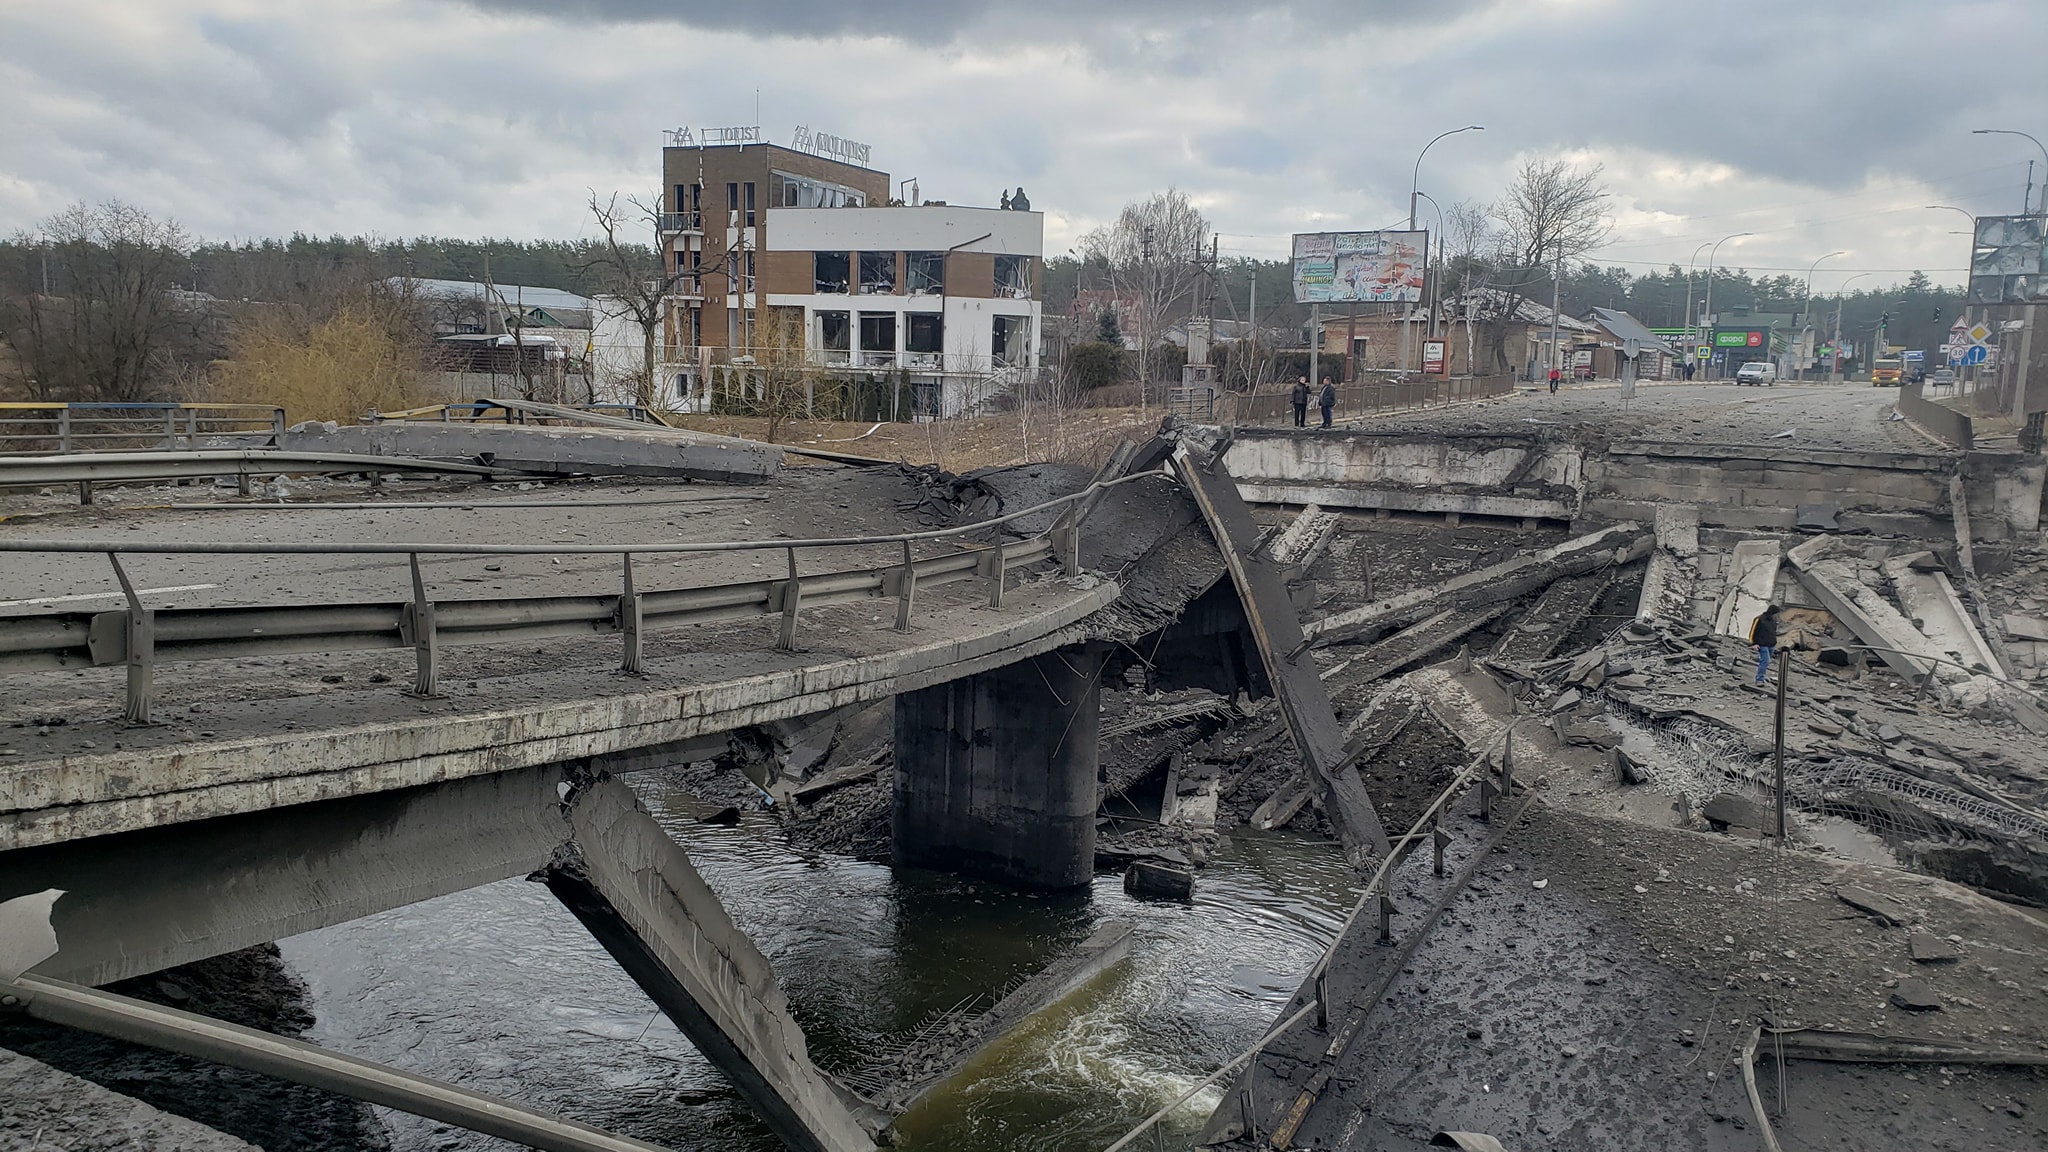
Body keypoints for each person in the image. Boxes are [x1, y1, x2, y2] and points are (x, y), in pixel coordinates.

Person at [1749, 603, 1782, 684]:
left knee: (1766, 661)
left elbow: (1773, 631)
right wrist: (1754, 643)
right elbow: (1753, 632)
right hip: (1762, 644)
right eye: (1776, 614)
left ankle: (1762, 677)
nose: (1777, 616)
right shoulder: (1759, 619)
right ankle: (1759, 679)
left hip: (1771, 644)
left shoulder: (1774, 620)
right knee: (1765, 661)